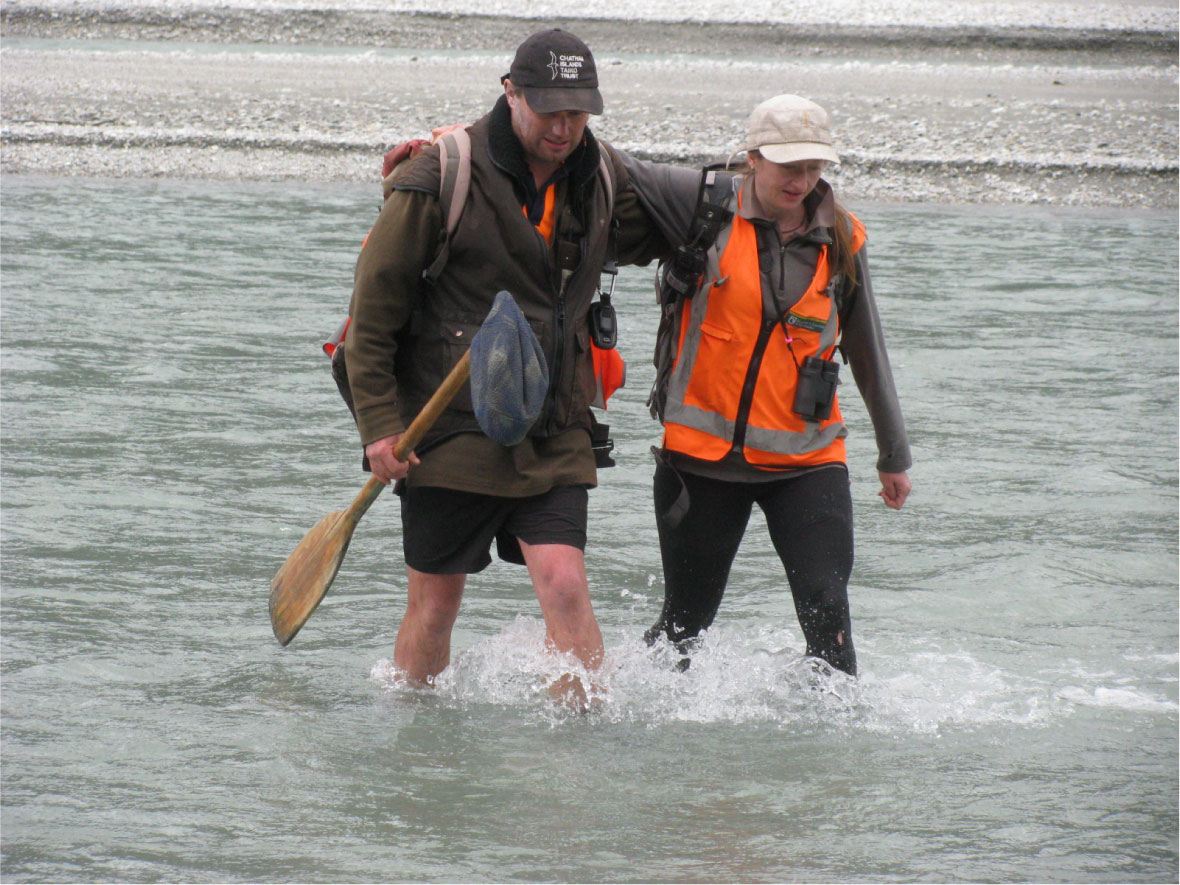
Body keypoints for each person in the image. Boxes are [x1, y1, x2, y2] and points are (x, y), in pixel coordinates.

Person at [344, 29, 667, 706]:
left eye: (578, 112)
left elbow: (672, 224)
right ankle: (416, 729)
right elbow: (372, 319)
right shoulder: (439, 177)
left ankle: (583, 737)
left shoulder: (601, 178)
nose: (564, 125)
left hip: (554, 426)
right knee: (436, 605)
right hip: (447, 428)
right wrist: (378, 427)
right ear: (510, 93)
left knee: (565, 581)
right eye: (549, 109)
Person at [623, 95, 912, 676]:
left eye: (815, 168)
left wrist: (893, 454)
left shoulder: (843, 240)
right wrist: (468, 141)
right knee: (686, 625)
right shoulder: (699, 207)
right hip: (700, 463)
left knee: (829, 614)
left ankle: (834, 757)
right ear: (752, 157)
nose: (803, 181)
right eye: (789, 167)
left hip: (808, 462)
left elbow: (867, 352)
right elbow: (610, 165)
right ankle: (638, 732)